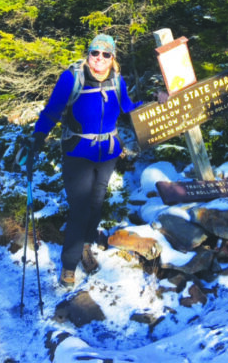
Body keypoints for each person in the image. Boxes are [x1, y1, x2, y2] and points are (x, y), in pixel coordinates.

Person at [22, 34, 142, 289]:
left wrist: (156, 101)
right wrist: (38, 138)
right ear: (88, 54)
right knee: (79, 210)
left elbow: (129, 107)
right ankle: (68, 264)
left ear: (113, 58)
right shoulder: (72, 78)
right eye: (94, 53)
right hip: (78, 152)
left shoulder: (117, 80)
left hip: (108, 152)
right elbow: (52, 111)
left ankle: (86, 245)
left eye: (105, 54)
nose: (99, 58)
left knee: (96, 203)